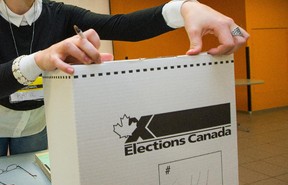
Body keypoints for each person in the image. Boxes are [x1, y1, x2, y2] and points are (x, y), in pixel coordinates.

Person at [0, 0, 249, 156]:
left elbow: (123, 25)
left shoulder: (59, 13)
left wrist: (185, 7)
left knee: (28, 180)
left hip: (37, 122)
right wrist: (39, 59)